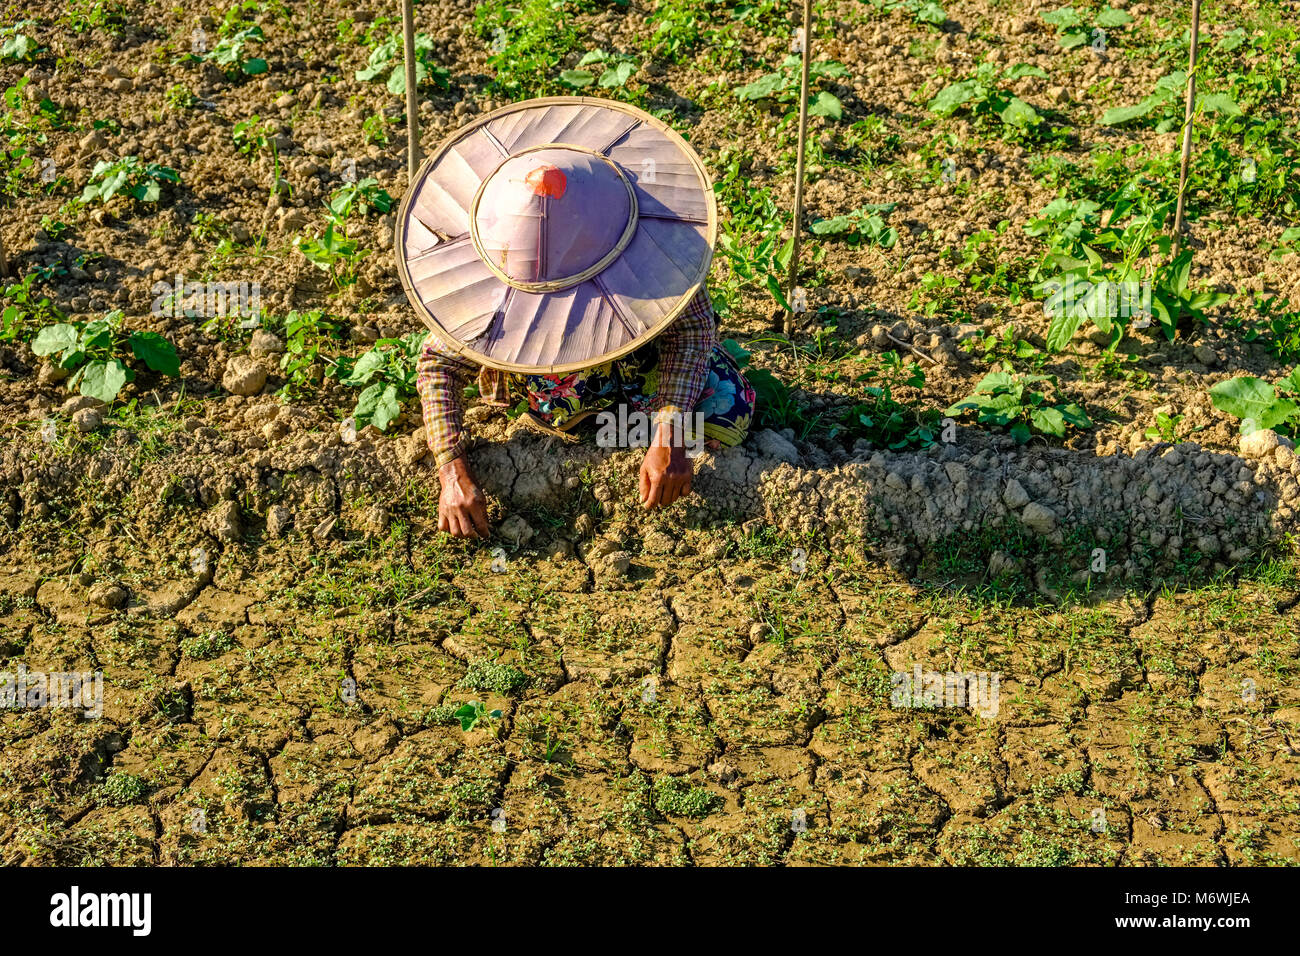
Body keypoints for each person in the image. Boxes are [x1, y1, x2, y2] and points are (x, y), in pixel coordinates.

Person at [395, 96, 754, 539]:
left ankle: (641, 429)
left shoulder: (647, 243)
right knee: (571, 409)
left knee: (725, 410)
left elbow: (692, 330)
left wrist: (670, 431)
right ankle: (595, 424)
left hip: (645, 365)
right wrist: (451, 470)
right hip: (562, 384)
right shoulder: (504, 263)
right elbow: (437, 363)